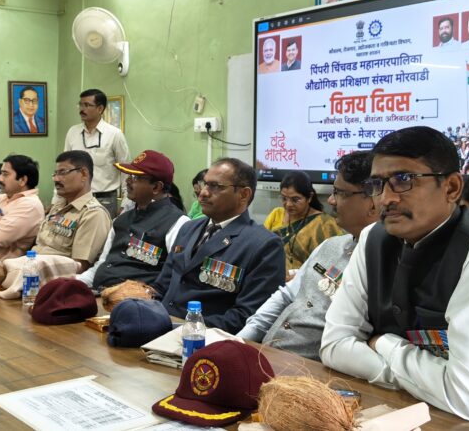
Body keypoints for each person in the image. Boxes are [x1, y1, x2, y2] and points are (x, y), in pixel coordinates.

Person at [320, 126, 469, 423]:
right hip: (386, 411)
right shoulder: (373, 238)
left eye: (404, 180)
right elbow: (333, 346)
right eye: (377, 184)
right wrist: (423, 378)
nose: (385, 198)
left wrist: (383, 344)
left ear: (451, 188)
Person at [238, 151, 378, 360]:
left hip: (314, 368)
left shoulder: (382, 262)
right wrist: (241, 340)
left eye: (339, 193)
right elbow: (286, 295)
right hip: (267, 351)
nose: (331, 200)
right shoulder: (331, 245)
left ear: (373, 202)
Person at [149, 158, 286, 334]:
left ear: (243, 194)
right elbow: (161, 286)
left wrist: (183, 328)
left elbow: (247, 316)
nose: (203, 193)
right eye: (204, 184)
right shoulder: (188, 229)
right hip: (159, 326)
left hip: (206, 338)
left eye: (215, 186)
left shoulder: (263, 245)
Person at [78, 150, 189, 290]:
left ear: (156, 187)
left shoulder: (178, 223)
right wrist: (75, 282)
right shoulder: (121, 220)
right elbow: (102, 265)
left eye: (135, 177)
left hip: (139, 299)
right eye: (129, 176)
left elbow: (175, 277)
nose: (127, 181)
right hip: (99, 291)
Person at [31, 150, 111, 279]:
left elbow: (79, 267)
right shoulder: (58, 207)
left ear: (84, 174)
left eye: (63, 172)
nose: (56, 179)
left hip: (52, 280)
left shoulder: (93, 214)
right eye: (55, 173)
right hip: (31, 270)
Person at [64, 89, 130, 217]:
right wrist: (58, 200)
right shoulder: (73, 132)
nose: (82, 109)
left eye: (87, 105)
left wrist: (126, 204)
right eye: (80, 104)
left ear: (100, 108)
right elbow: (64, 168)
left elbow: (125, 170)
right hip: (76, 198)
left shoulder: (114, 134)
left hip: (105, 200)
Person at [264, 171, 344, 273]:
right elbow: (261, 246)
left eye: (295, 199)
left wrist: (298, 276)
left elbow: (334, 265)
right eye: (284, 198)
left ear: (309, 197)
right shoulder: (276, 214)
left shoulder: (325, 224)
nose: (288, 204)